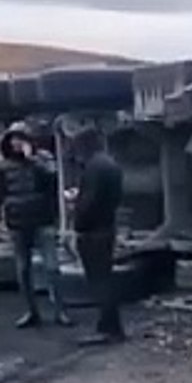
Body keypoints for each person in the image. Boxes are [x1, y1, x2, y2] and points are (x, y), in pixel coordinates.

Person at [0, 122, 72, 328]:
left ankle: (60, 311)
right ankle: (31, 311)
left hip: (43, 221)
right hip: (18, 224)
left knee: (52, 268)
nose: (17, 143)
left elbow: (53, 178)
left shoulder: (42, 159)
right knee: (23, 269)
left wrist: (32, 158)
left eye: (21, 139)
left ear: (29, 140)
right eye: (13, 139)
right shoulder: (3, 166)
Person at [66, 126, 125, 345]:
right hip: (107, 226)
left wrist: (76, 212)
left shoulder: (93, 168)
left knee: (99, 282)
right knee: (105, 279)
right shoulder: (111, 164)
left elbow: (88, 203)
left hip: (93, 231)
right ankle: (110, 327)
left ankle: (108, 329)